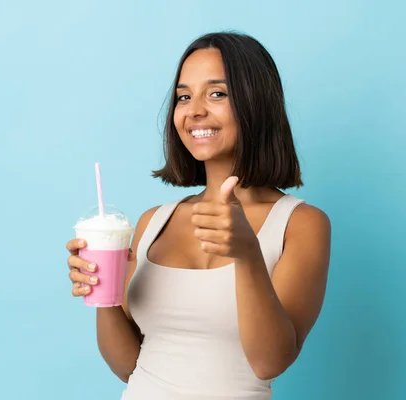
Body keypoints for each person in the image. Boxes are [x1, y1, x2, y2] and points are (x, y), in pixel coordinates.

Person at [65, 32, 331, 400]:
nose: (194, 111)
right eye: (184, 97)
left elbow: (269, 362)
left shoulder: (300, 224)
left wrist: (247, 254)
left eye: (217, 93)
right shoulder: (153, 222)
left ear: (256, 104)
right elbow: (129, 366)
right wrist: (103, 293)